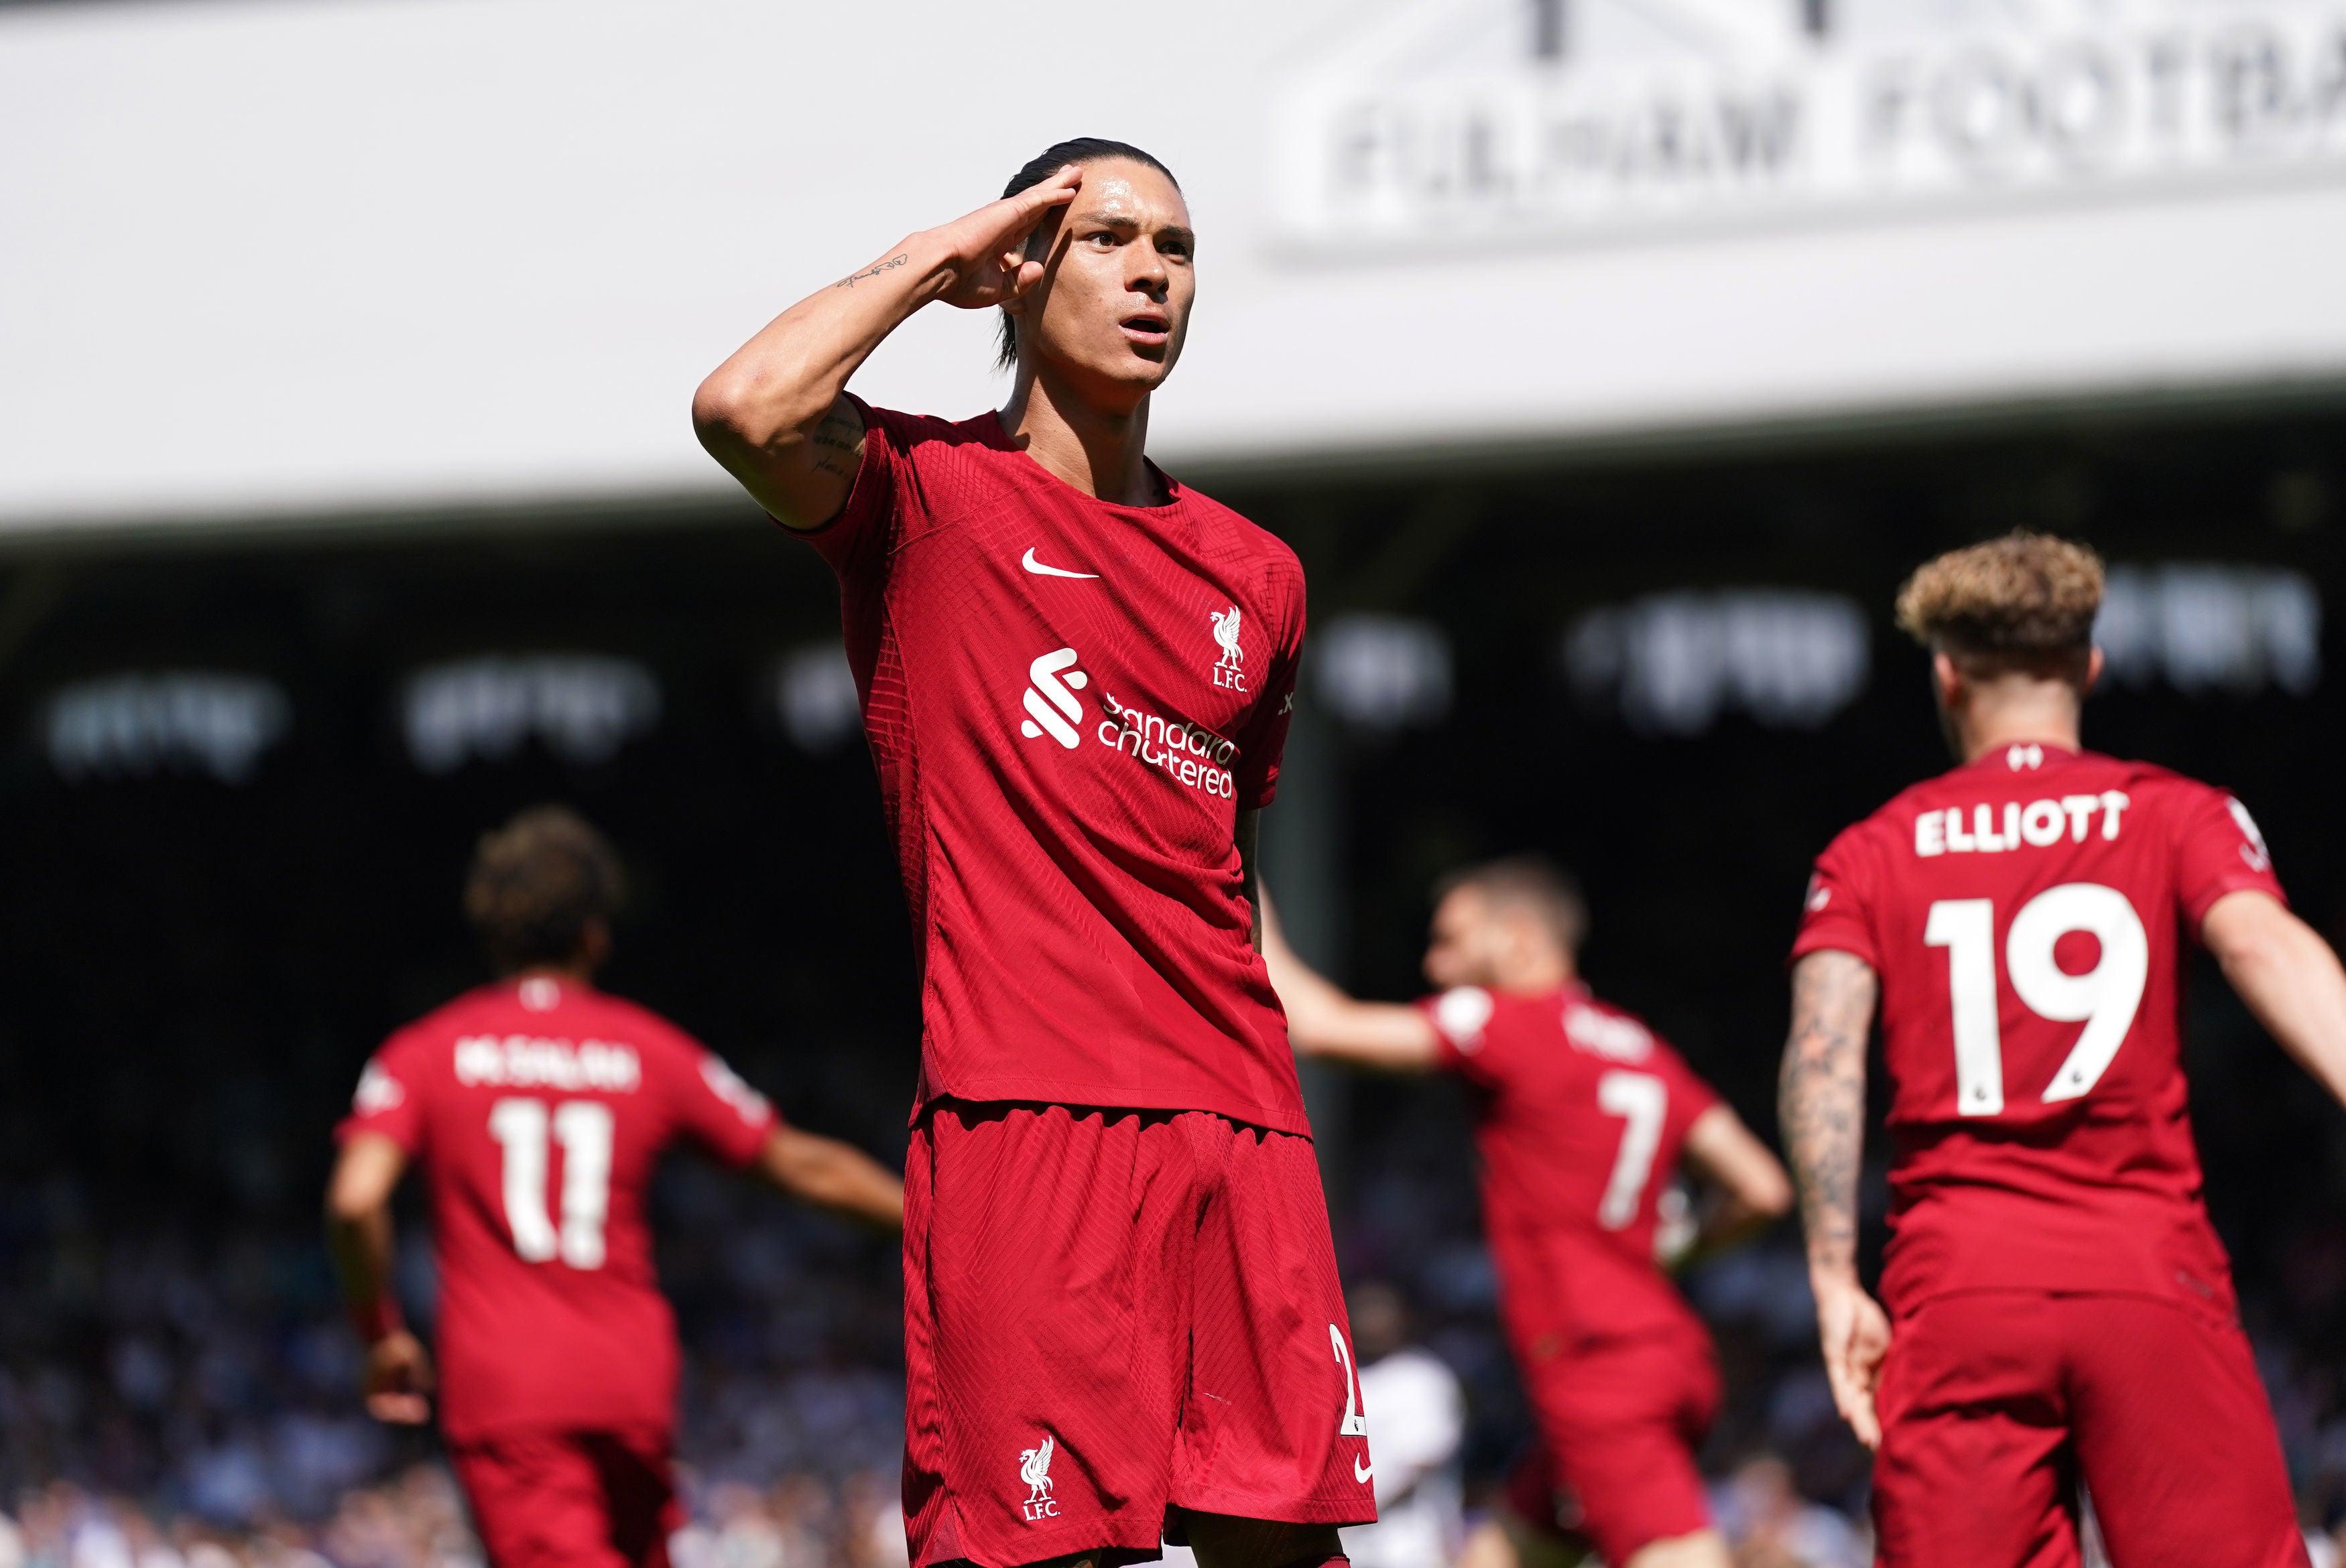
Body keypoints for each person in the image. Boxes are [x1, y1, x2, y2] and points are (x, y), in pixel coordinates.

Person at [691, 139, 1370, 1568]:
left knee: (1288, 1549)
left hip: (1240, 1122)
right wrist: (942, 254)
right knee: (1039, 1557)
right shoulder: (927, 496)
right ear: (1023, 272)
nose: (1150, 275)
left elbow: (1216, 865)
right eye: (1110, 239)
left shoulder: (1260, 577)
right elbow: (745, 407)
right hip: (1024, 1112)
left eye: (1176, 250)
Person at [1779, 532, 2346, 1567]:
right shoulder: (2177, 812)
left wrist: (1830, 1277)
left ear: (1946, 676)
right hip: (2147, 1271)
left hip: (1956, 1289)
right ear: (2091, 665)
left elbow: (1824, 1051)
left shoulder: (1869, 850)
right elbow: (2265, 945)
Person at [326, 806, 905, 1568]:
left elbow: (355, 1199)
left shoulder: (426, 1053)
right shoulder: (647, 1051)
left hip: (511, 1393)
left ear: (489, 932)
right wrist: (939, 1222)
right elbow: (803, 1165)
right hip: (631, 1384)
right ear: (595, 935)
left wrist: (380, 1332)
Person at [1261, 859, 1793, 1568]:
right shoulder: (1636, 1047)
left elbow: (1323, 1030)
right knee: (1496, 1554)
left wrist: (1237, 869)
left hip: (1596, 1363)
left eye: (1450, 939)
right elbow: (1761, 1188)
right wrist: (1676, 1252)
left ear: (1516, 938)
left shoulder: (1502, 1021)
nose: (1432, 962)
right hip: (1665, 1352)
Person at [1339, 1285, 1464, 1568]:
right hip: (1353, 1545)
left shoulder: (1423, 1377)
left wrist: (1354, 1508)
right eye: (1363, 1312)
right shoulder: (1344, 1379)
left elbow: (1419, 1463)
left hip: (1412, 1545)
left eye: (1379, 1312)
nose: (1370, 1321)